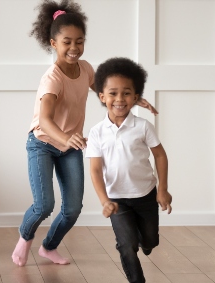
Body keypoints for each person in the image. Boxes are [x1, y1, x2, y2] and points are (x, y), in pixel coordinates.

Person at [12, 0, 157, 267]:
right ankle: (25, 237)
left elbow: (108, 93)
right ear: (53, 43)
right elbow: (44, 119)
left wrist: (135, 100)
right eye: (67, 42)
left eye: (80, 41)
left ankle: (49, 247)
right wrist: (65, 137)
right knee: (44, 206)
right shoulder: (52, 78)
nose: (74, 48)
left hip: (70, 146)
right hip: (42, 143)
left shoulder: (87, 69)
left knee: (72, 209)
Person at [86, 57, 172, 283]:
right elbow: (95, 170)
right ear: (102, 97)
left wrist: (162, 190)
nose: (119, 99)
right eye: (113, 93)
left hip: (145, 195)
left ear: (135, 97)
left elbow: (160, 155)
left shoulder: (143, 126)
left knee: (151, 240)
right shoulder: (96, 132)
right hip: (117, 199)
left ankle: (144, 242)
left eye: (126, 93)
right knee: (126, 244)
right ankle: (136, 282)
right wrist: (104, 201)